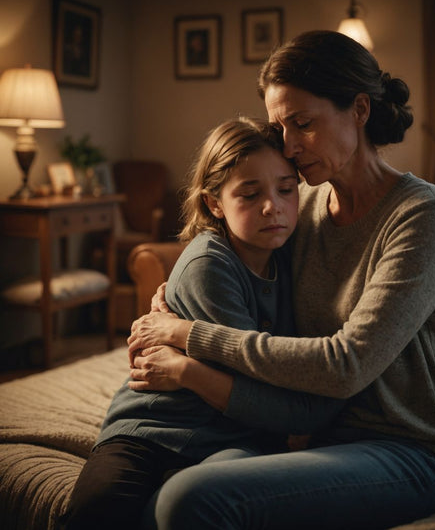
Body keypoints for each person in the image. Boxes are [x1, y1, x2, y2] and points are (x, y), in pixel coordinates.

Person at [128, 30, 435, 529]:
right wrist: (172, 295)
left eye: (303, 124)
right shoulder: (304, 206)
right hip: (322, 439)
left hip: (416, 452)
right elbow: (236, 256)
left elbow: (347, 364)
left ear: (359, 110)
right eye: (280, 126)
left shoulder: (423, 215)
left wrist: (187, 336)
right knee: (157, 499)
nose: (288, 146)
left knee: (191, 498)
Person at [61, 116, 344, 530]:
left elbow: (262, 396)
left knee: (205, 502)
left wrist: (188, 369)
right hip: (156, 427)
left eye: (286, 189)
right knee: (96, 510)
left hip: (237, 436)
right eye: (249, 195)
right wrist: (306, 414)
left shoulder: (290, 249)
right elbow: (258, 389)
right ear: (214, 203)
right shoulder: (209, 264)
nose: (273, 207)